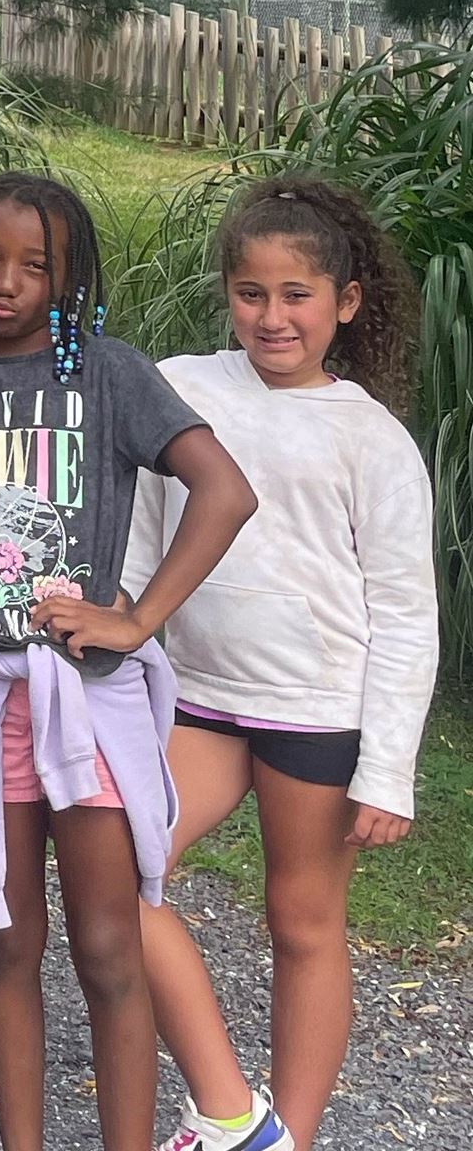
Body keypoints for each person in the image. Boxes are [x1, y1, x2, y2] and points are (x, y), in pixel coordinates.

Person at [0, 173, 256, 1151]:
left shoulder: (105, 372)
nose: (5, 280)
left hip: (86, 705)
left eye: (35, 264)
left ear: (73, 278)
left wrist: (137, 616)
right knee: (4, 944)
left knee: (107, 946)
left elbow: (221, 490)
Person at [130, 177, 437, 1151]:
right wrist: (122, 635)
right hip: (199, 702)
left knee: (301, 922)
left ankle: (288, 1138)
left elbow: (401, 609)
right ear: (227, 293)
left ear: (342, 300)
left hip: (316, 712)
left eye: (294, 294)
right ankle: (233, 1112)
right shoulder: (176, 383)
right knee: (121, 873)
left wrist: (386, 765)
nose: (270, 316)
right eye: (250, 293)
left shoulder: (370, 437)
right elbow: (140, 535)